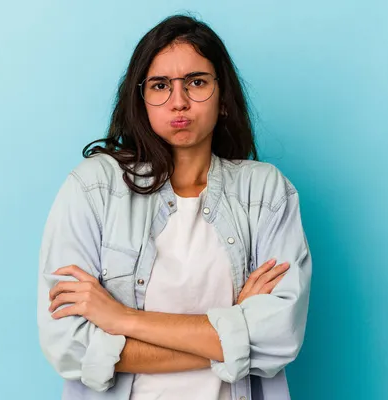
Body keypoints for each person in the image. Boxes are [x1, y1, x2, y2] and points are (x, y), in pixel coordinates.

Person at [37, 14, 312, 400]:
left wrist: (122, 320)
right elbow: (68, 347)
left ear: (224, 97)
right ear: (141, 99)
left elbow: (279, 338)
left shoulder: (265, 192)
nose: (179, 101)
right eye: (160, 85)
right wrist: (232, 330)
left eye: (196, 82)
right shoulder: (92, 188)